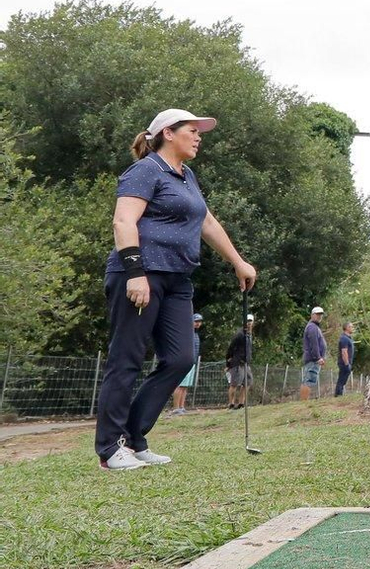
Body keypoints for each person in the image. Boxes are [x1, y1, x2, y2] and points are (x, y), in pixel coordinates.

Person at [96, 109, 256, 470]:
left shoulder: (187, 176)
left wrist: (238, 261)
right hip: (140, 273)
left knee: (181, 357)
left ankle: (135, 438)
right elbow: (123, 221)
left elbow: (207, 221)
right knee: (127, 359)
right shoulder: (146, 170)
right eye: (192, 130)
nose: (199, 136)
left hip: (177, 279)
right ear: (168, 132)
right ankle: (110, 448)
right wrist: (135, 273)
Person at [171, 313, 203, 415]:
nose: (198, 324)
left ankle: (182, 406)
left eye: (199, 322)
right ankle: (175, 408)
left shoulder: (195, 334)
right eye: (196, 321)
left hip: (192, 363)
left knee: (185, 386)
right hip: (184, 362)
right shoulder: (186, 333)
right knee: (180, 385)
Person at [226, 315, 254, 409]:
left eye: (250, 321)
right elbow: (231, 348)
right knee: (234, 383)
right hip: (238, 362)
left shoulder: (250, 335)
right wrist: (228, 362)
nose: (249, 323)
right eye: (247, 321)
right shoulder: (240, 334)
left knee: (247, 382)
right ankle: (231, 403)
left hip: (246, 363)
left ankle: (241, 403)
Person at [300, 306, 327, 400]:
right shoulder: (312, 327)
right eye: (317, 314)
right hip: (312, 359)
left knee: (309, 380)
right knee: (308, 380)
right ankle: (303, 403)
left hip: (313, 359)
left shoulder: (315, 327)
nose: (319, 316)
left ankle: (305, 401)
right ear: (312, 315)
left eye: (321, 315)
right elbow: (314, 344)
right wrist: (318, 357)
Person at [335, 321, 355, 397]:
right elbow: (344, 352)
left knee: (343, 381)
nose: (353, 328)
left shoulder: (348, 339)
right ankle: (338, 395)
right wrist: (347, 364)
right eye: (351, 327)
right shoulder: (344, 339)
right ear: (347, 328)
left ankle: (339, 394)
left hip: (347, 363)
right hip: (344, 363)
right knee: (341, 380)